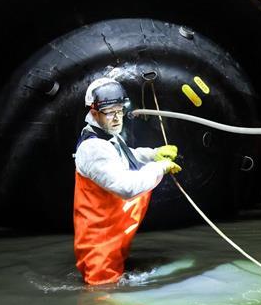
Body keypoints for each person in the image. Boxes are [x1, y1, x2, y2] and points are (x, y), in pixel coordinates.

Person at [73, 77, 181, 285]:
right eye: (110, 112)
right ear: (94, 112)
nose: (117, 118)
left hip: (111, 239)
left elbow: (123, 155)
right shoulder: (93, 149)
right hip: (100, 246)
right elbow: (127, 188)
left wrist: (153, 154)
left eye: (120, 110)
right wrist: (160, 167)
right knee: (103, 299)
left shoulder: (104, 136)